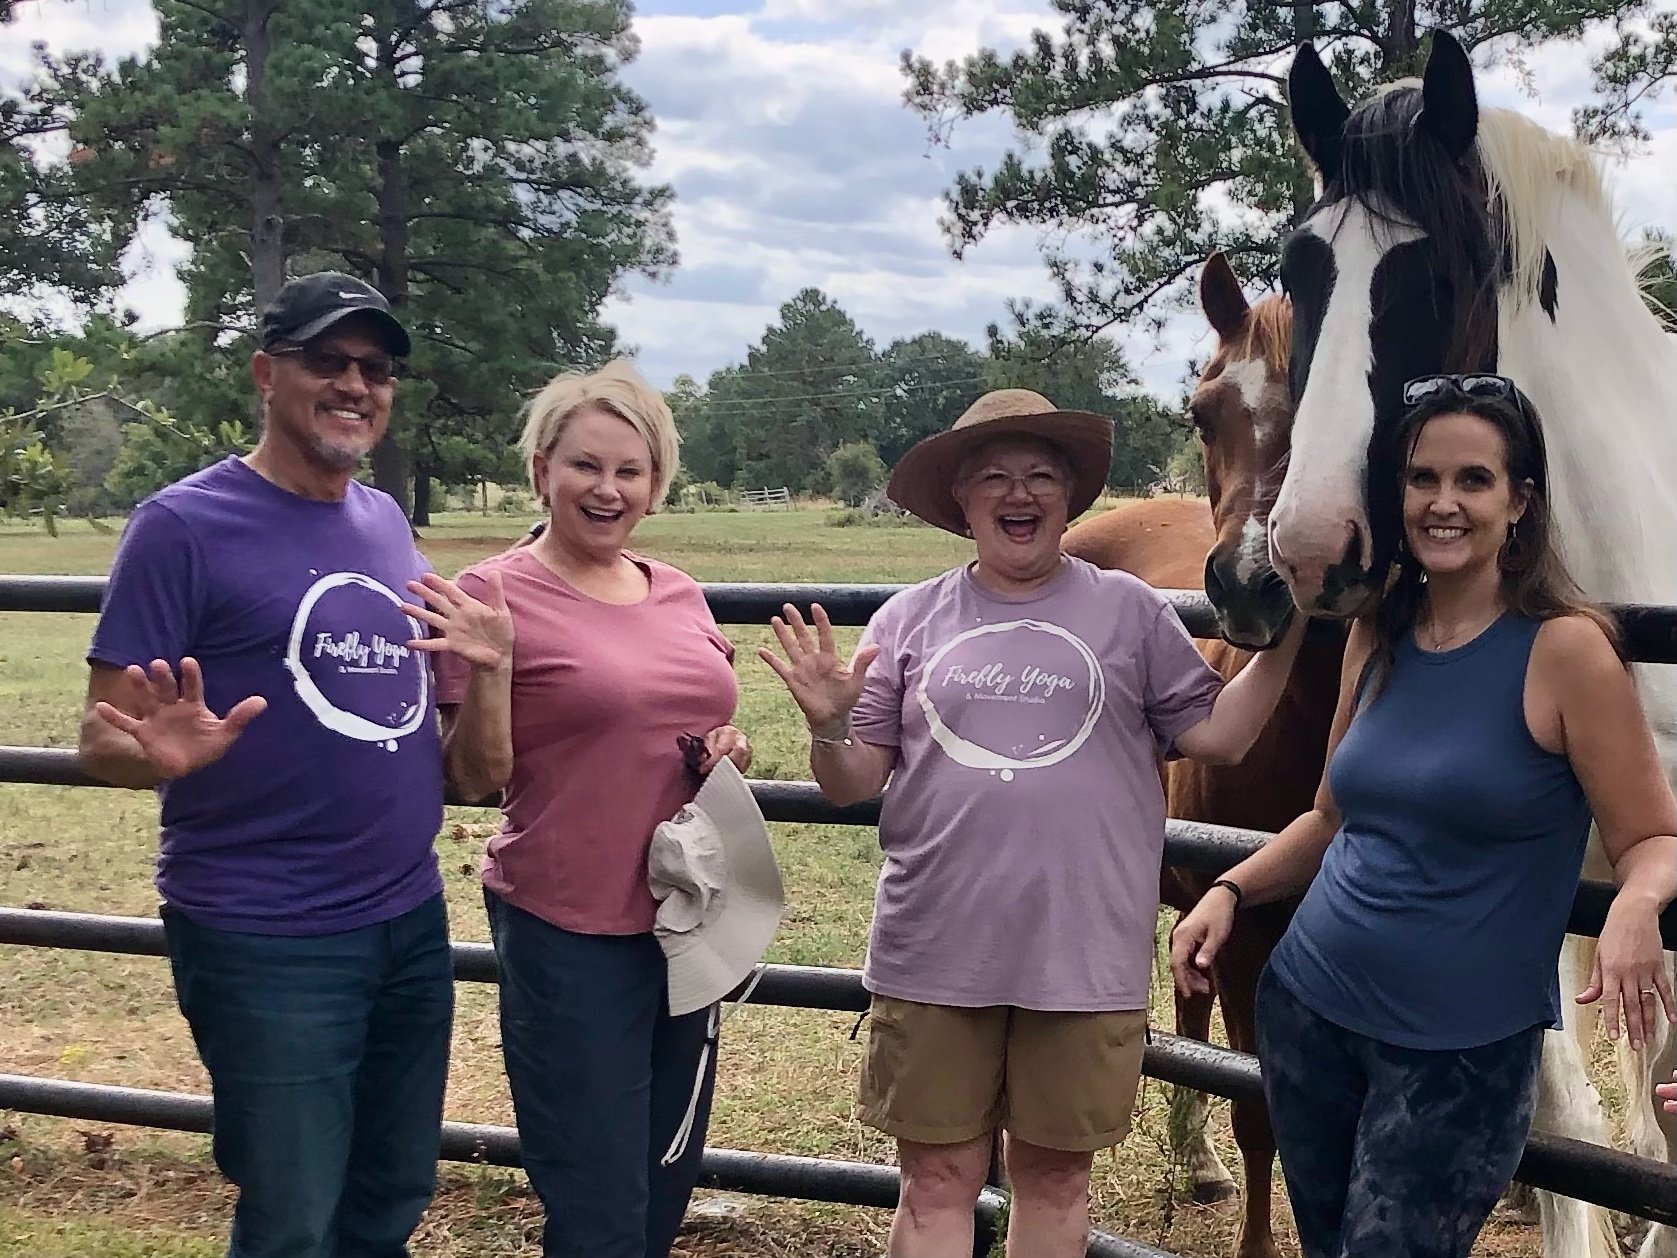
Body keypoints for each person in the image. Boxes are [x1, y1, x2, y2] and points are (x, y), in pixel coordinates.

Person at [758, 389, 1305, 1258]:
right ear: (961, 500)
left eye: (1040, 475)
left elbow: (1221, 738)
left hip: (1081, 956)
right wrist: (829, 724)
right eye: (993, 477)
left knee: (1054, 1182)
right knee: (935, 1182)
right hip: (934, 950)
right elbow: (850, 782)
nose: (1018, 493)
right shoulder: (909, 619)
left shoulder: (1130, 612)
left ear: (1068, 497)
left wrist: (1289, 631)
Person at [1170, 373, 1677, 1258]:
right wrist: (1230, 889)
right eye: (1421, 479)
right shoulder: (1377, 634)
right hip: (1310, 1011)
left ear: (1519, 502)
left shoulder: (1566, 652)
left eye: (1472, 480)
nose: (1443, 503)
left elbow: (1652, 837)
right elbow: (1330, 816)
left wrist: (1634, 903)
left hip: (1459, 1054)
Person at [78, 273, 454, 1258]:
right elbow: (100, 736)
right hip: (268, 934)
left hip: (408, 917)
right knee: (292, 1216)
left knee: (391, 1189)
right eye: (327, 361)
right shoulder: (183, 525)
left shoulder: (383, 520)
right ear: (264, 373)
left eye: (375, 368)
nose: (355, 385)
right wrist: (154, 754)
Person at [406, 360, 750, 1258]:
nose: (607, 489)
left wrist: (726, 747)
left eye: (629, 470)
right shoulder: (489, 595)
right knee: (596, 1201)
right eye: (585, 466)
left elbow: (686, 718)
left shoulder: (676, 590)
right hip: (569, 927)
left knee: (665, 1176)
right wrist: (489, 672)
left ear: (655, 484)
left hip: (686, 918)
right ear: (541, 471)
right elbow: (469, 780)